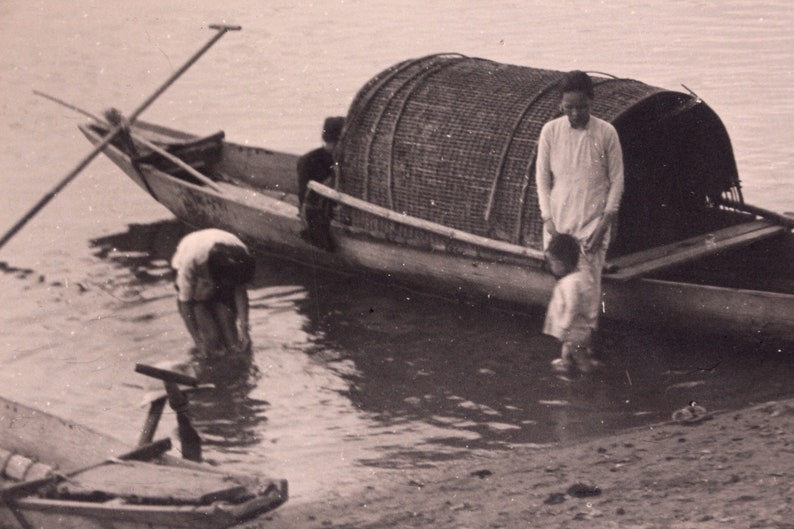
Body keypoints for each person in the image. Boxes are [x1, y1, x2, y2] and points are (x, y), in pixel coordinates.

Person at [535, 70, 624, 334]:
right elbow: (542, 179)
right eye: (569, 107)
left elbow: (617, 180)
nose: (575, 114)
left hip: (593, 223)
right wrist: (548, 219)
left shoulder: (606, 133)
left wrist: (605, 222)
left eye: (581, 107)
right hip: (559, 224)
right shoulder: (551, 131)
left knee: (587, 291)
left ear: (592, 101)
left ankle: (579, 352)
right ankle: (569, 355)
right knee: (565, 292)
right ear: (560, 104)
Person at [171, 228, 255, 357]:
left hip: (220, 258)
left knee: (231, 338)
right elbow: (185, 303)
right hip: (190, 255)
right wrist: (197, 340)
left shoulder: (241, 255)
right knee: (211, 338)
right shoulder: (190, 262)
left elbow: (240, 290)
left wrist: (244, 328)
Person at [543, 233, 599, 373]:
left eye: (552, 263)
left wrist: (563, 329)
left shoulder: (570, 284)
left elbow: (571, 308)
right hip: (580, 329)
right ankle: (566, 364)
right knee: (568, 350)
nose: (550, 267)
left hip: (573, 332)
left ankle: (588, 377)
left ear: (562, 264)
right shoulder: (580, 277)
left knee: (579, 357)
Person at [296, 116, 345, 251]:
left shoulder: (343, 159)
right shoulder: (308, 160)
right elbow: (302, 194)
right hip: (316, 206)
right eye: (337, 143)